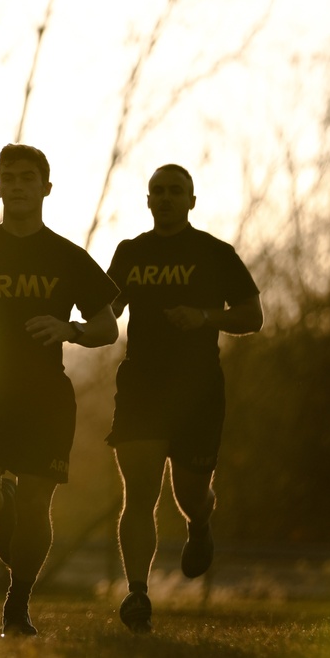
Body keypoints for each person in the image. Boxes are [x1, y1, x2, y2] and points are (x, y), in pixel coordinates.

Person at [0, 144, 119, 636]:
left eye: (27, 178)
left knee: (38, 502)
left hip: (44, 397)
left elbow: (107, 326)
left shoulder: (66, 256)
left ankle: (18, 603)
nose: (16, 184)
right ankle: (1, 500)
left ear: (45, 188)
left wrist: (69, 329)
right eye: (8, 177)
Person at [106, 164, 263, 633]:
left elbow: (253, 315)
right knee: (139, 496)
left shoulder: (215, 253)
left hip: (197, 392)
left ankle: (199, 523)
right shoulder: (131, 253)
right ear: (148, 200)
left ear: (191, 201)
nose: (167, 197)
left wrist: (203, 317)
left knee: (189, 493)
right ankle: (137, 594)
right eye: (159, 191)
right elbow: (106, 311)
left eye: (177, 191)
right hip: (141, 389)